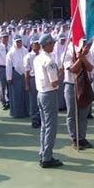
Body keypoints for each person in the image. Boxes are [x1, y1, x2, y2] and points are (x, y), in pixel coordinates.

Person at [34, 34, 63, 168]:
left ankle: (43, 153)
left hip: (40, 93)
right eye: (52, 43)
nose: (54, 45)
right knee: (51, 127)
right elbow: (54, 82)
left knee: (45, 126)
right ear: (47, 45)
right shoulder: (49, 61)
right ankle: (47, 157)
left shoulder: (37, 58)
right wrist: (61, 72)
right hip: (49, 94)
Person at [63, 39, 94, 150]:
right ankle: (74, 138)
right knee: (72, 114)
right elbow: (73, 69)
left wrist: (82, 57)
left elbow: (90, 67)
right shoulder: (67, 52)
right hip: (71, 85)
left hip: (83, 84)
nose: (84, 44)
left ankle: (82, 137)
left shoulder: (87, 53)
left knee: (83, 113)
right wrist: (81, 58)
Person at [6, 34, 30, 118]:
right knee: (16, 94)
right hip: (15, 74)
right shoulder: (11, 52)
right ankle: (16, 113)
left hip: (24, 74)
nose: (19, 43)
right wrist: (9, 77)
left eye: (20, 41)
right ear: (14, 42)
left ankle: (26, 112)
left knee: (25, 93)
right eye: (17, 42)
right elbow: (8, 66)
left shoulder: (25, 50)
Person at [24, 36, 42, 128]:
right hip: (33, 78)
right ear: (31, 45)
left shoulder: (42, 55)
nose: (38, 45)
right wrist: (27, 84)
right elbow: (27, 72)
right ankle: (34, 119)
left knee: (41, 99)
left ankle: (40, 118)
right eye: (35, 44)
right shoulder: (28, 57)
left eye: (38, 44)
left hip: (41, 78)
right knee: (34, 100)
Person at [53, 33, 67, 111]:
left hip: (66, 69)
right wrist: (60, 69)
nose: (63, 41)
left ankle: (65, 104)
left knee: (65, 87)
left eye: (64, 40)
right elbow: (55, 59)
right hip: (58, 70)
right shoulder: (56, 47)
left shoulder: (66, 46)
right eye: (61, 40)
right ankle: (59, 105)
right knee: (60, 88)